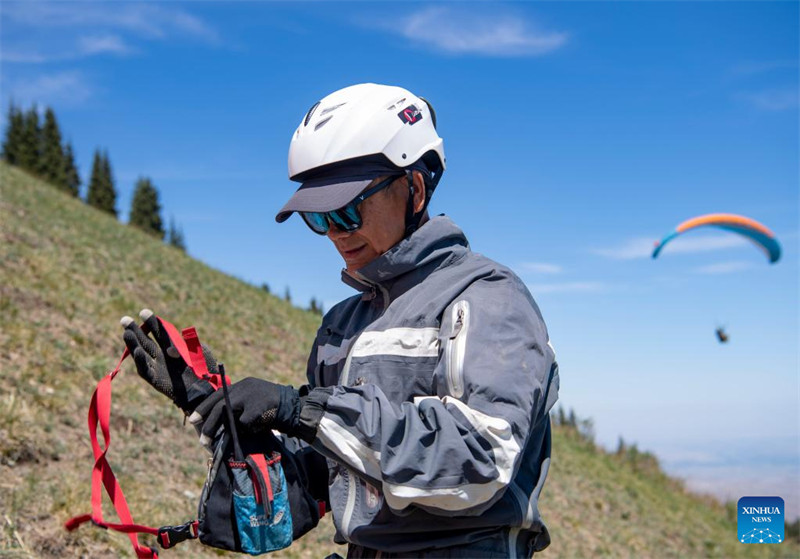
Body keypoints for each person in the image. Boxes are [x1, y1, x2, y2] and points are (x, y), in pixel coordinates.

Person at [122, 83, 560, 558]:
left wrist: (304, 411)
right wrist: (227, 418)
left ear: (413, 188)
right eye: (317, 217)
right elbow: (328, 480)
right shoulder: (342, 324)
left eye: (348, 210)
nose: (333, 233)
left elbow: (480, 460)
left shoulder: (485, 297)